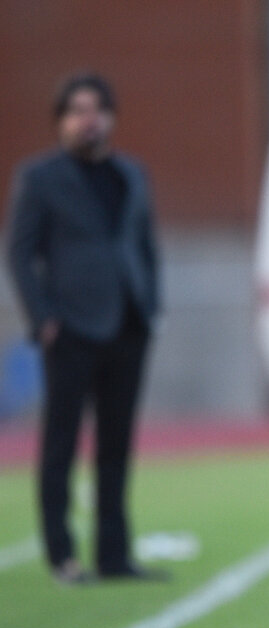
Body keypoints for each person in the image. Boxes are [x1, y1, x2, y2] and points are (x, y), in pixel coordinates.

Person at [5, 73, 161, 584]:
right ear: (61, 120)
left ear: (110, 117)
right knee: (61, 445)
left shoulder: (131, 173)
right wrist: (43, 318)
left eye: (96, 109)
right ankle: (62, 556)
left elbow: (143, 244)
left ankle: (113, 556)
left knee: (116, 446)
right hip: (70, 328)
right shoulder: (39, 177)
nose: (87, 119)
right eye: (76, 110)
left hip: (128, 324)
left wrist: (151, 305)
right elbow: (19, 253)